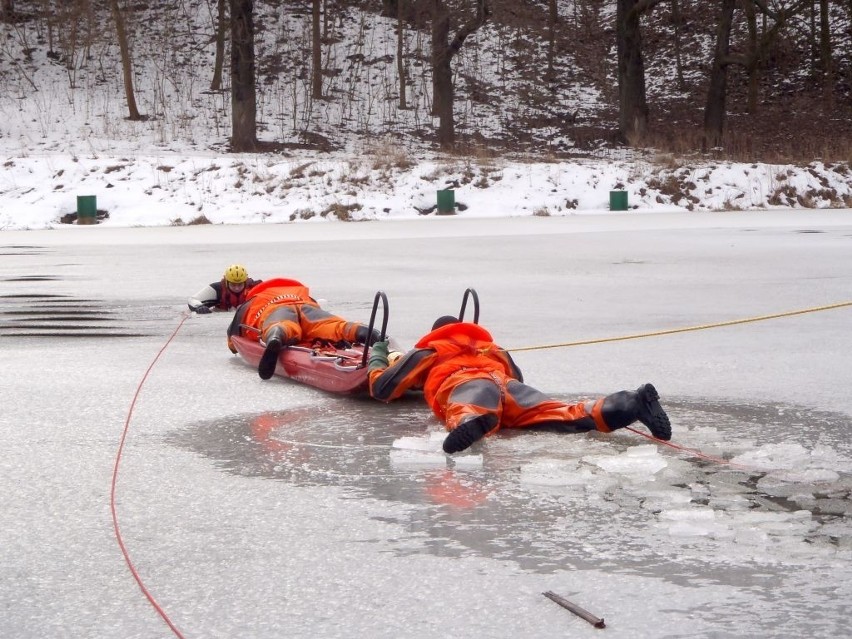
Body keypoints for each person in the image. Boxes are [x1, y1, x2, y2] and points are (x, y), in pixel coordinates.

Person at [368, 315, 672, 454]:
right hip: (508, 385)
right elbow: (518, 377)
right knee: (561, 412)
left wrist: (377, 359)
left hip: (466, 383)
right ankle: (629, 403)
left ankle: (475, 421)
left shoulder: (431, 351)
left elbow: (384, 388)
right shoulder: (494, 349)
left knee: (469, 403)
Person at [227, 277, 381, 379]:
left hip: (276, 310)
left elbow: (233, 334)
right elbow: (317, 309)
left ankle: (276, 336)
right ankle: (360, 331)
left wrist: (233, 345)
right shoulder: (300, 291)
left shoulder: (254, 299)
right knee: (331, 326)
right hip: (306, 305)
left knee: (283, 325)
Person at [188, 264, 261, 313]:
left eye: (240, 285)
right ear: (226, 282)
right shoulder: (217, 289)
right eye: (233, 285)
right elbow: (193, 299)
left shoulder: (256, 287)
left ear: (245, 282)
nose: (236, 288)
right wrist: (199, 307)